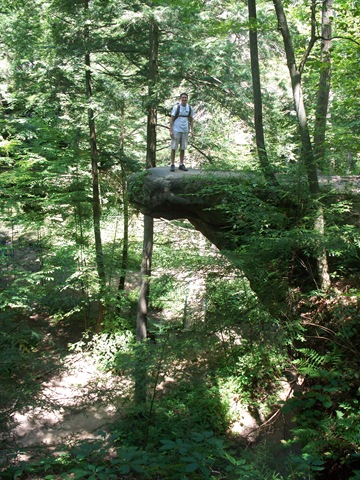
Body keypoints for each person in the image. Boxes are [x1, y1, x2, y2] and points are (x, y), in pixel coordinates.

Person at [169, 92, 194, 172]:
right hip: (176, 129)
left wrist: (192, 130)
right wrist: (171, 130)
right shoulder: (176, 107)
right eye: (183, 97)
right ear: (180, 98)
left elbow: (191, 120)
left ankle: (181, 164)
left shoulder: (189, 108)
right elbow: (172, 119)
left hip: (185, 130)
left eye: (185, 97)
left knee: (183, 147)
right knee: (174, 147)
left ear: (187, 98)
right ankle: (172, 164)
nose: (184, 99)